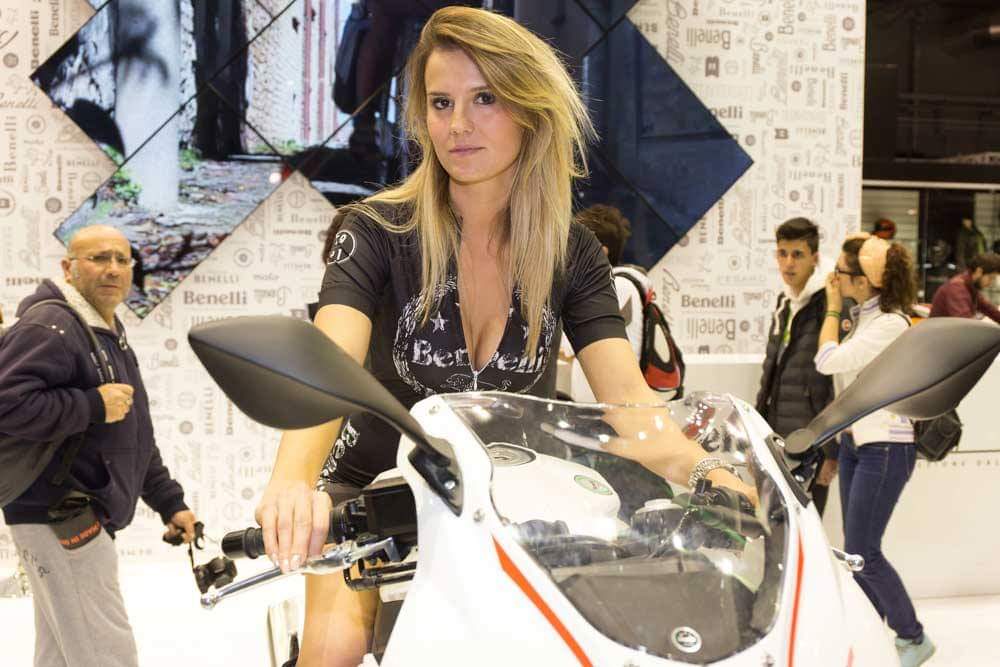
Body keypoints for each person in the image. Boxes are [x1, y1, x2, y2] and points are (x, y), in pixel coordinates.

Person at [253, 8, 753, 666]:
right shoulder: (375, 230)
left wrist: (714, 470)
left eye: (484, 98)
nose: (457, 124)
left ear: (530, 110)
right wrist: (291, 482)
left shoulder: (572, 253)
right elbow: (328, 361)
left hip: (508, 499)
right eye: (441, 102)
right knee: (338, 649)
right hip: (372, 495)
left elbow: (634, 411)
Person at [0, 225, 197, 667]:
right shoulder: (51, 327)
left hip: (69, 514)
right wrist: (90, 404)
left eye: (122, 260)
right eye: (98, 258)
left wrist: (169, 502)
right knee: (107, 654)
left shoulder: (104, 331)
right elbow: (6, 404)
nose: (113, 269)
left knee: (62, 655)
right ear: (68, 268)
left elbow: (132, 431)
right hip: (60, 512)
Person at [815, 233, 935, 667]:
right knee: (856, 551)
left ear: (864, 282)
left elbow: (827, 361)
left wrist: (831, 308)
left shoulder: (889, 324)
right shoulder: (865, 318)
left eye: (841, 273)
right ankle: (870, 636)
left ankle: (912, 636)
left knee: (864, 551)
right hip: (857, 443)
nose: (835, 279)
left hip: (885, 447)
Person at [755, 218, 835, 514]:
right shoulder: (784, 302)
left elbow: (835, 381)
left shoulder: (829, 304)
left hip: (812, 441)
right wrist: (758, 431)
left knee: (809, 527)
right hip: (776, 435)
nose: (788, 263)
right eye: (782, 253)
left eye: (797, 254)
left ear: (814, 258)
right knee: (775, 525)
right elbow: (771, 372)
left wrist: (830, 450)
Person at [929, 252, 1000, 324]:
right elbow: (965, 324)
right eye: (990, 278)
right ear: (979, 271)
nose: (990, 283)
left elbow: (989, 309)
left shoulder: (970, 286)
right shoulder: (957, 288)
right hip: (942, 331)